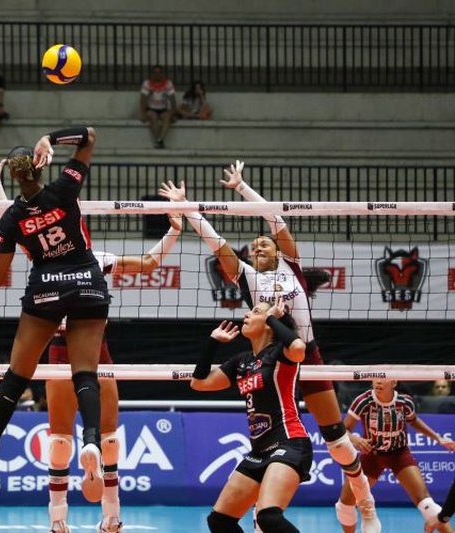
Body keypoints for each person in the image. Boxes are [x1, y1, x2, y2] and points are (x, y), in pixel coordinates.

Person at [159, 161, 382, 532]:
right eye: (255, 246)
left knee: (338, 441)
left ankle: (365, 503)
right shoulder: (247, 278)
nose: (260, 245)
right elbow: (215, 240)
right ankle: (266, 508)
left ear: (278, 251)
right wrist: (187, 207)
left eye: (266, 242)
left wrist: (243, 188)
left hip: (305, 355)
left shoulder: (291, 266)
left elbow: (274, 220)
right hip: (272, 359)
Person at [0, 153, 184, 532]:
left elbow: (20, 215)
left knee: (58, 439)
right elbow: (150, 264)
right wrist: (175, 231)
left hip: (55, 348)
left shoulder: (44, 260)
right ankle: (112, 516)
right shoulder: (95, 259)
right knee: (107, 436)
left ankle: (57, 521)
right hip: (94, 351)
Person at [0, 126, 109, 505]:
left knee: (15, 379)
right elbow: (89, 137)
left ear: (13, 175)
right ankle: (91, 441)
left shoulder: (11, 219)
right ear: (39, 167)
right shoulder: (64, 188)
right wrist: (51, 137)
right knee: (85, 375)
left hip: (45, 287)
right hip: (87, 281)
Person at [190, 300, 310, 532]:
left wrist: (272, 317)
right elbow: (199, 383)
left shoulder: (280, 353)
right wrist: (213, 342)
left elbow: (298, 348)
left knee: (268, 518)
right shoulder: (242, 362)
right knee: (219, 521)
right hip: (259, 451)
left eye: (256, 312)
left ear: (268, 324)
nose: (246, 313)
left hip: (289, 442)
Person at [335, 379, 455, 533]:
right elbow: (343, 429)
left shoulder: (405, 402)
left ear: (394, 383)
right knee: (344, 505)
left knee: (428, 504)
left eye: (383, 380)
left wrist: (438, 438)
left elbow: (415, 421)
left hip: (399, 454)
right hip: (372, 455)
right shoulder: (363, 401)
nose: (377, 383)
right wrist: (355, 439)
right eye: (375, 380)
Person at [138, 65, 176, 149]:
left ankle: (160, 140)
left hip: (163, 108)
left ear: (162, 74)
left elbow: (173, 99)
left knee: (167, 117)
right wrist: (142, 113)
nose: (157, 75)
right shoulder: (147, 83)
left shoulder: (168, 83)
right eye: (155, 73)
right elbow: (143, 99)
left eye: (159, 73)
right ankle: (158, 139)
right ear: (152, 74)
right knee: (153, 117)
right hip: (151, 108)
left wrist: (173, 113)